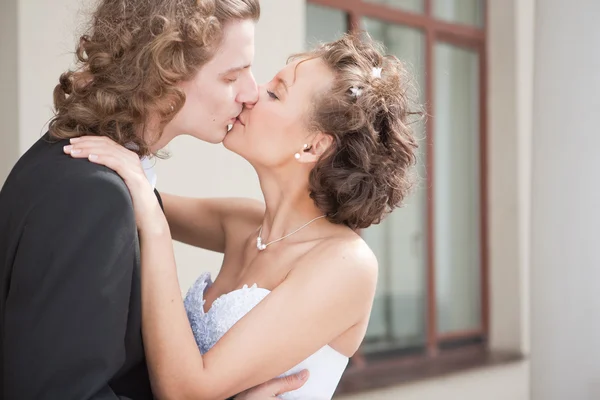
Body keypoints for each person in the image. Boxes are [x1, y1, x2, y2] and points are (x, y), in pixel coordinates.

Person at [64, 33, 421, 399]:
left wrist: (155, 229)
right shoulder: (242, 223)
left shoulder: (346, 265)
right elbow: (128, 193)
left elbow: (185, 391)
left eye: (275, 93)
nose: (250, 94)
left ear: (314, 145)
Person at [0, 0, 306, 398]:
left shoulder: (93, 172)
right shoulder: (91, 194)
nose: (251, 93)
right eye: (232, 76)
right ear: (164, 76)